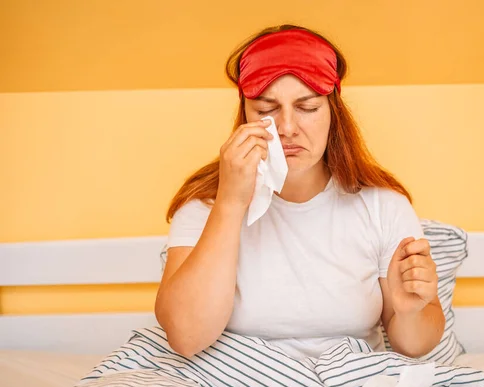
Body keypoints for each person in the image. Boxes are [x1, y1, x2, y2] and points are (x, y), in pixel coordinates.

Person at [154, 24, 444, 361]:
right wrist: (231, 203)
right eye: (266, 110)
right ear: (244, 115)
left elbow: (415, 344)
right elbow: (185, 337)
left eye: (307, 108)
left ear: (334, 113)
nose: (287, 128)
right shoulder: (204, 207)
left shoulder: (384, 207)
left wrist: (409, 312)